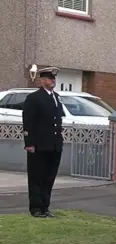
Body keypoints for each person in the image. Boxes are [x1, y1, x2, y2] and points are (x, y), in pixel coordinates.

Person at [22, 66, 65, 218]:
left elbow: (58, 120)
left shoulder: (56, 97)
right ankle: (36, 208)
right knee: (36, 177)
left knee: (49, 177)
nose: (53, 81)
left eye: (54, 79)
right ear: (42, 80)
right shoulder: (34, 98)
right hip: (39, 145)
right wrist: (29, 143)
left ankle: (45, 207)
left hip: (54, 145)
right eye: (50, 79)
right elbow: (28, 122)